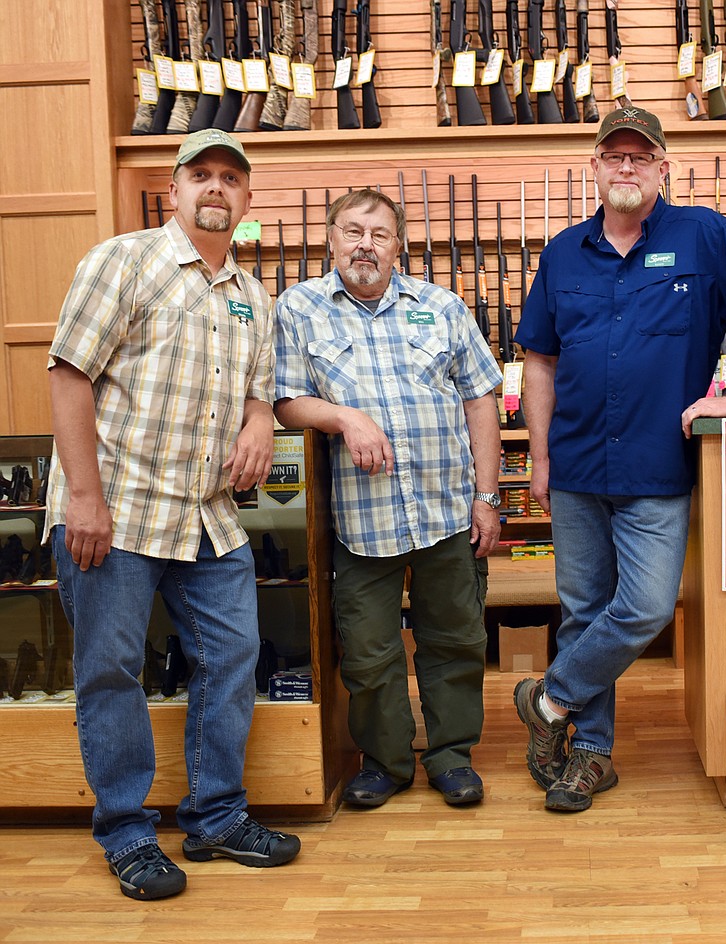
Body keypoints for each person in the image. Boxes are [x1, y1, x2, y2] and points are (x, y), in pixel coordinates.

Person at [512, 107, 726, 813]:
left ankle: (547, 699)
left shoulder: (703, 235)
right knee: (585, 614)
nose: (626, 167)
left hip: (657, 469)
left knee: (641, 609)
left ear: (663, 167)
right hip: (577, 466)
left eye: (640, 157)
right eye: (613, 156)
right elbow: (540, 364)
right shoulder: (562, 254)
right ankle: (587, 754)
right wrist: (541, 458)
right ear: (594, 168)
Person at [45, 128, 301, 902]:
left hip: (206, 515)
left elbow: (260, 388)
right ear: (175, 190)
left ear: (248, 199)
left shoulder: (256, 299)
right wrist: (85, 499)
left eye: (231, 177)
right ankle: (126, 832)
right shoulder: (124, 261)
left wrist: (260, 422)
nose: (216, 188)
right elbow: (68, 376)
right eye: (202, 175)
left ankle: (216, 816)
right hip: (116, 511)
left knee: (233, 657)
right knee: (111, 672)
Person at [273, 189, 502, 810]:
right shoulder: (298, 309)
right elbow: (286, 399)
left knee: (455, 639)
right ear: (331, 239)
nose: (365, 244)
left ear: (399, 245)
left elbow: (482, 396)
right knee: (370, 651)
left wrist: (487, 496)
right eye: (352, 231)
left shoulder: (442, 306)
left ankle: (452, 756)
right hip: (360, 521)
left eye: (379, 233)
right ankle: (386, 760)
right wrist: (344, 417)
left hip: (447, 510)